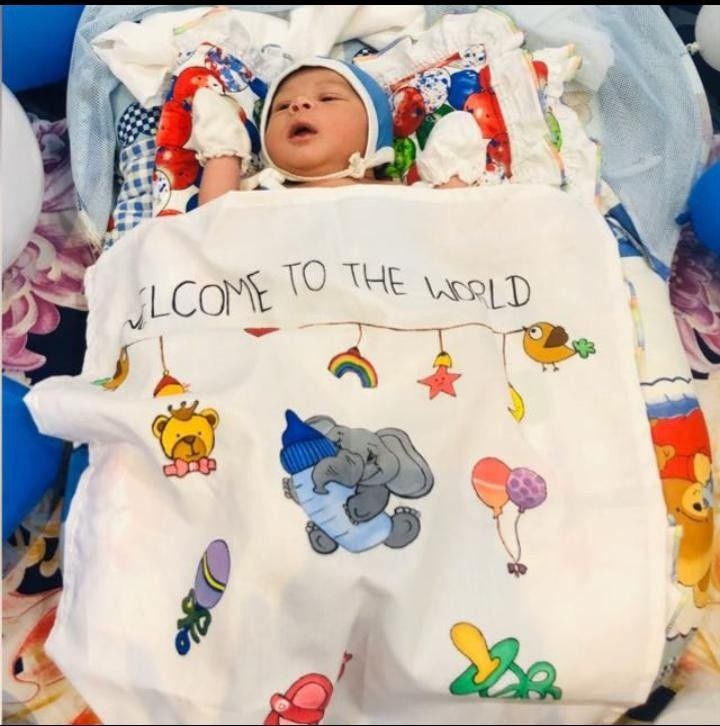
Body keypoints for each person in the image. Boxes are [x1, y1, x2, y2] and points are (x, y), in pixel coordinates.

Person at [188, 58, 397, 204]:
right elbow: (212, 228)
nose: (298, 104)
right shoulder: (257, 196)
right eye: (282, 106)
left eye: (328, 98)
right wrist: (224, 154)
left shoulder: (400, 194)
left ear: (376, 129)